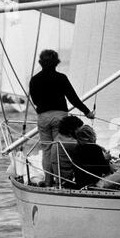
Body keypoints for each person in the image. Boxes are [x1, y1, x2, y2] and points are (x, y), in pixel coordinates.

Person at [29, 49, 95, 186]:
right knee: (59, 149)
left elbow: (34, 100)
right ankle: (61, 181)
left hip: (43, 117)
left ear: (41, 63)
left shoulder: (34, 80)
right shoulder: (61, 78)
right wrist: (87, 112)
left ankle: (48, 181)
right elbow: (73, 99)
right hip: (60, 117)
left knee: (47, 150)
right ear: (56, 63)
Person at [51, 116, 84, 187]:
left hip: (60, 178)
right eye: (80, 130)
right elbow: (88, 150)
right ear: (71, 130)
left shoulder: (59, 137)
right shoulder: (71, 143)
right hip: (68, 180)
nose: (82, 132)